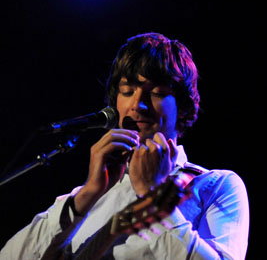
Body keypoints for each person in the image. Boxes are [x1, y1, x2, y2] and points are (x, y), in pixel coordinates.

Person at [0, 32, 250, 260]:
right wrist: (89, 193)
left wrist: (153, 195)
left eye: (157, 93)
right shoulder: (87, 195)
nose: (137, 105)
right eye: (128, 91)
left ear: (183, 106)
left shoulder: (215, 185)